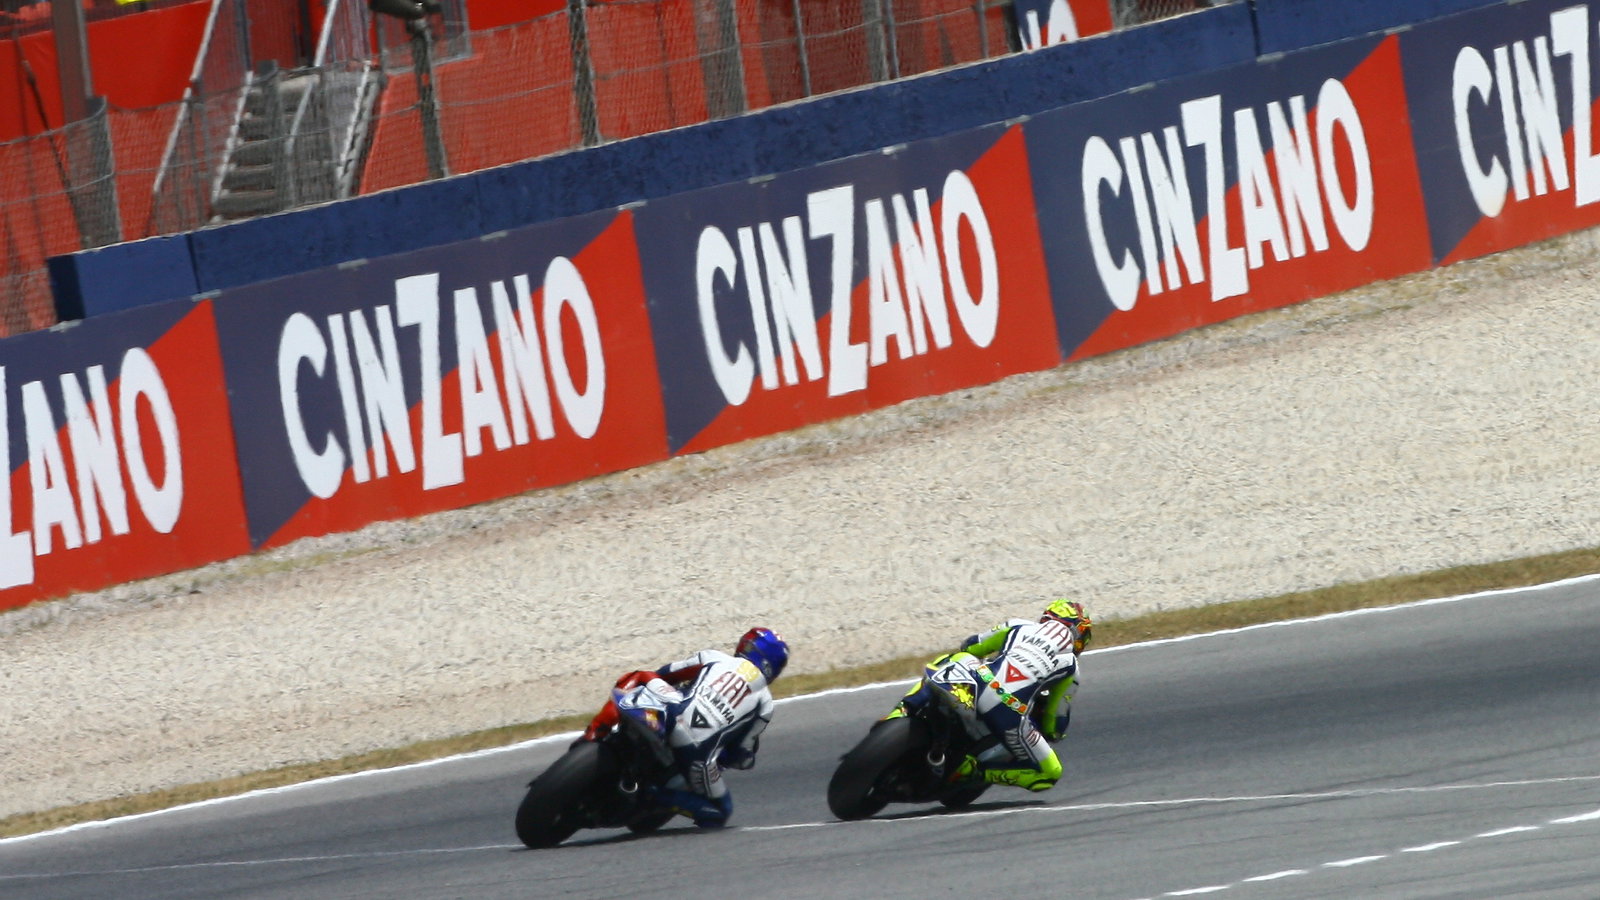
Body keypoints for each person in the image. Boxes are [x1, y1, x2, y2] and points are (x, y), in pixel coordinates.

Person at [582, 626, 789, 828]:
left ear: (748, 646)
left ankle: (596, 730)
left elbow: (667, 673)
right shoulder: (765, 705)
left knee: (640, 676)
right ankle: (656, 794)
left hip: (672, 713)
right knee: (720, 812)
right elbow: (742, 753)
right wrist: (744, 760)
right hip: (697, 754)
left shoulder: (716, 657)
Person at [897, 599, 1091, 792]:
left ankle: (904, 709)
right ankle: (976, 771)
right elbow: (1054, 723)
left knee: (953, 659)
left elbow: (972, 646)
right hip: (1010, 712)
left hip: (980, 680)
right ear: (1077, 633)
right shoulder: (1071, 667)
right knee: (1050, 772)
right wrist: (1055, 732)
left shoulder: (1017, 625)